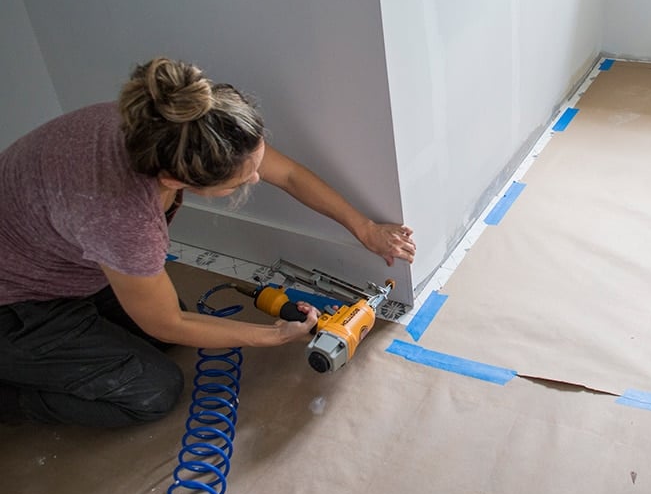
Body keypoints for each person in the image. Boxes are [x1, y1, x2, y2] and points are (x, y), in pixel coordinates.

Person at [0, 57, 415, 427]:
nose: (256, 177)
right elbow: (168, 323)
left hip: (54, 260)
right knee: (154, 391)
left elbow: (286, 174)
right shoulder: (121, 215)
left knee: (163, 336)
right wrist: (269, 336)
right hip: (14, 303)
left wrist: (364, 228)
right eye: (241, 180)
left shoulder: (173, 127)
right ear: (175, 182)